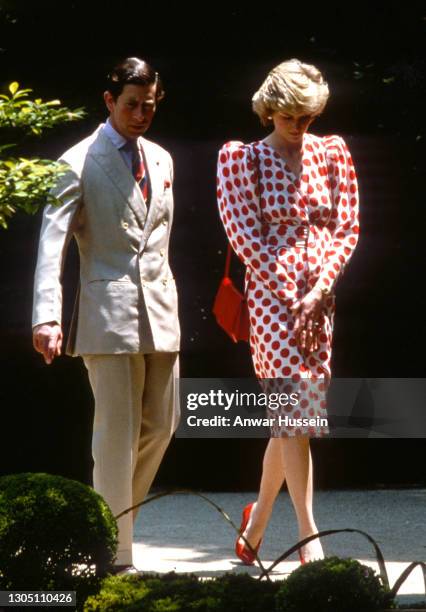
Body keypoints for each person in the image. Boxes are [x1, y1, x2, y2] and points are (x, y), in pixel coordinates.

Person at [32, 57, 180, 574]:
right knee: (115, 434)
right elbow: (53, 245)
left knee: (162, 425)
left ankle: (102, 525)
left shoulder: (161, 159)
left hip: (160, 310)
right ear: (109, 101)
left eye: (151, 105)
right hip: (105, 312)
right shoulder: (77, 161)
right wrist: (46, 317)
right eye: (132, 105)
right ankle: (114, 555)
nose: (142, 114)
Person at [216, 59, 359, 564]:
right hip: (273, 299)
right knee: (293, 413)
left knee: (293, 415)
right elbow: (243, 236)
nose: (299, 128)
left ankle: (256, 524)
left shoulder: (333, 152)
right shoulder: (241, 159)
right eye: (289, 117)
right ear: (269, 109)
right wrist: (288, 293)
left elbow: (348, 228)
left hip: (320, 298)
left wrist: (320, 289)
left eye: (307, 117)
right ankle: (308, 533)